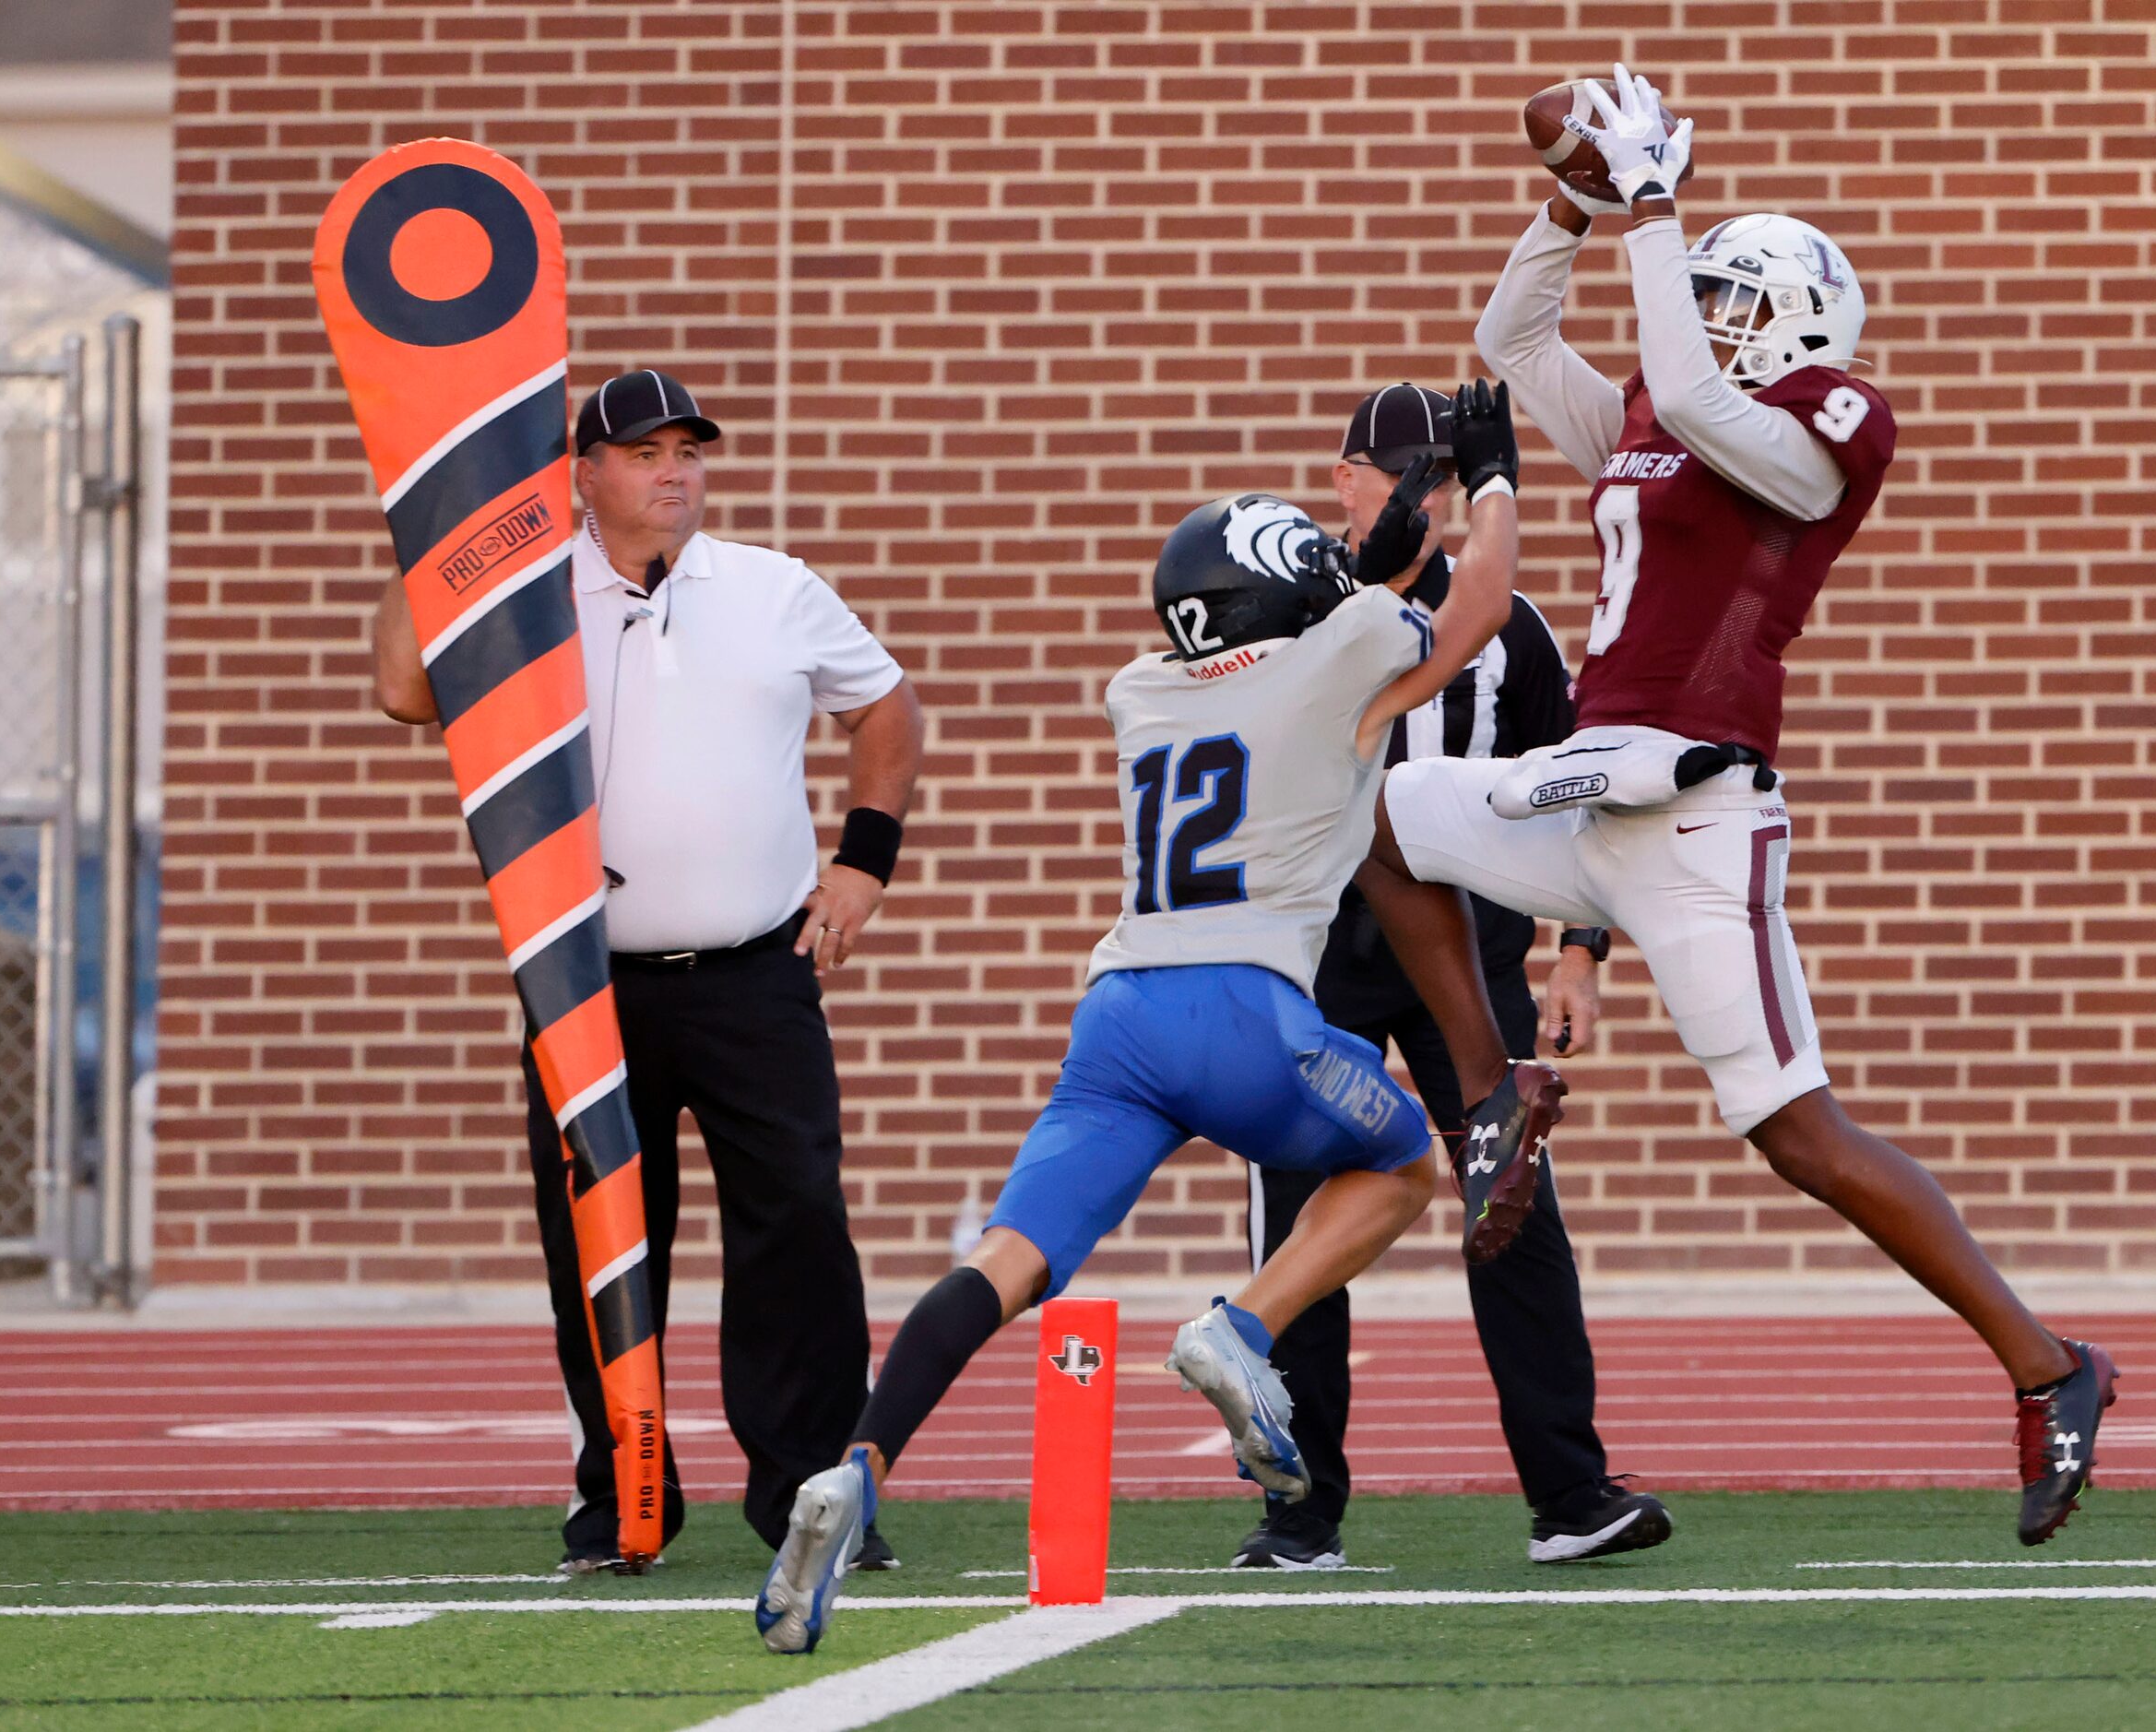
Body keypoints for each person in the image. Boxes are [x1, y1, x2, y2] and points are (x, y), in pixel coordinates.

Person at [1373, 67, 2118, 1548]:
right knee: (1385, 819)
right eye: (1695, 290)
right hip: (1595, 794)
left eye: (1728, 294)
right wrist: (1579, 203)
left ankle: (2054, 1366)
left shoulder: (1816, 430)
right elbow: (1510, 341)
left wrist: (1655, 206)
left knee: (1799, 1135)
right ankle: (1488, 1103)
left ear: (1796, 320)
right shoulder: (1664, 413)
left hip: (1699, 815)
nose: (1698, 314)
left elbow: (1709, 397)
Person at [752, 380, 1565, 1655]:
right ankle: (1239, 1324)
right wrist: (1497, 482)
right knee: (1415, 1160)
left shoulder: (1146, 686)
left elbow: (1332, 594)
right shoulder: (1336, 664)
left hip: (1119, 1018)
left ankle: (857, 1463)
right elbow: (1473, 604)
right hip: (1251, 1011)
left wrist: (1381, 531)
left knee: (1006, 1260)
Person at [371, 368, 927, 1573]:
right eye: (644, 452)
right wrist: (438, 533)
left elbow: (888, 710)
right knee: (602, 1238)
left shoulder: (775, 589)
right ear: (584, 472)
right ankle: (619, 1496)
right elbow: (405, 689)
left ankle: (810, 1497)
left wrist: (863, 866)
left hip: (758, 970)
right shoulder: (522, 589)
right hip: (583, 980)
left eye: (689, 450)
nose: (674, 471)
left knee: (799, 1228)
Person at [1229, 383, 1667, 1571]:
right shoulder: (1297, 597)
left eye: (1443, 478)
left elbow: (1583, 797)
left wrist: (1582, 952)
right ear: (1347, 479)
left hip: (1464, 957)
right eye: (1404, 475)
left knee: (1510, 1202)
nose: (1424, 498)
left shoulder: (1511, 628)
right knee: (1296, 1209)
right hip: (1319, 949)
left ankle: (1571, 1494)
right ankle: (1298, 1507)